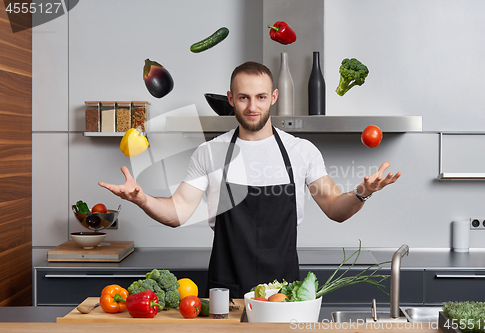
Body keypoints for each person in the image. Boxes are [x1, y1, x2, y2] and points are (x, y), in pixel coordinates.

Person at [99, 61, 401, 298]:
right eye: (243, 97)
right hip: (226, 291)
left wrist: (362, 193)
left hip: (284, 293)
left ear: (273, 97)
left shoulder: (300, 151)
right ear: (231, 99)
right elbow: (177, 213)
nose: (252, 107)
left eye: (260, 97)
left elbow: (335, 208)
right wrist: (142, 199)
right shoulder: (211, 152)